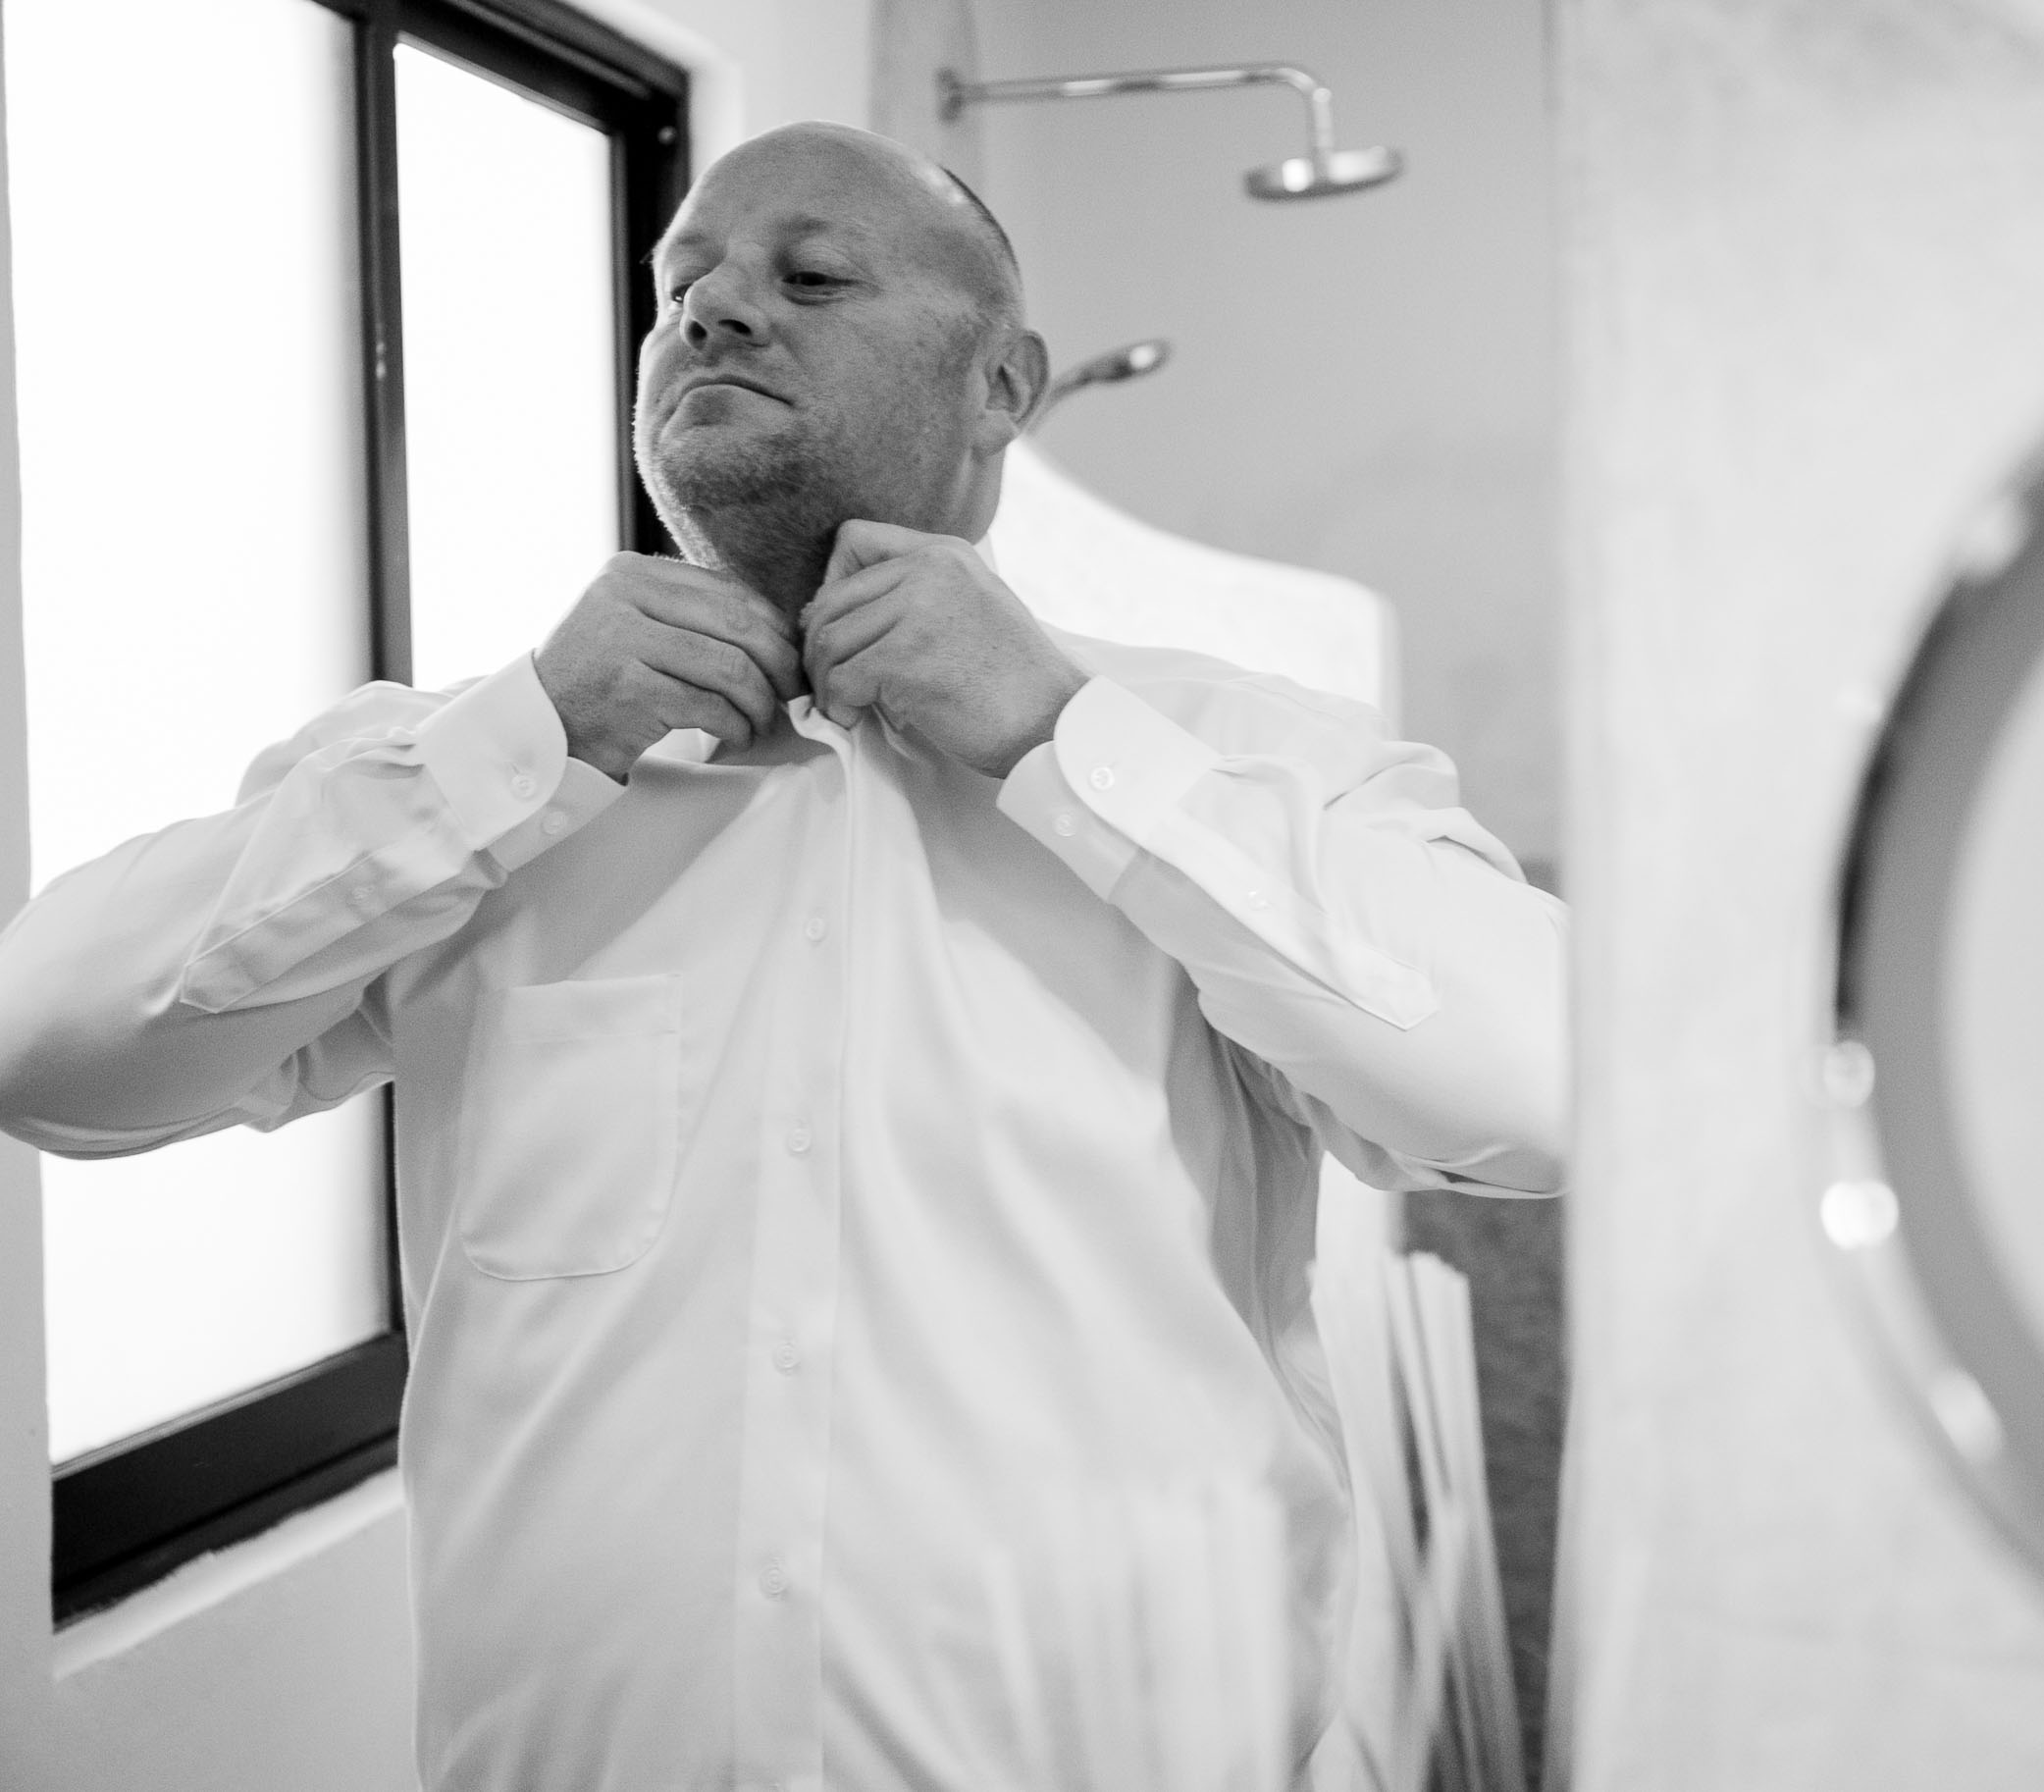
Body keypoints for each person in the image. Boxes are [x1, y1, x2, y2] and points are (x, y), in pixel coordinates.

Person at [0, 121, 1564, 1789]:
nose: (714, 309)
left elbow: (1546, 1094)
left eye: (810, 277)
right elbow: (43, 1047)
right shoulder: (457, 781)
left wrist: (1066, 743)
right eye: (680, 285)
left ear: (1003, 384)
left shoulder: (1240, 754)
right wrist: (517, 748)